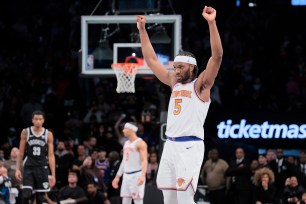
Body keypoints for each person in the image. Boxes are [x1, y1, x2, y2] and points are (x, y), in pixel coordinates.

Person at [137, 5, 223, 204]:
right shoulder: (174, 82)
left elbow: (217, 57)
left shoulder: (201, 85)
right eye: (175, 67)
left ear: (191, 68)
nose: (175, 71)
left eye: (180, 67)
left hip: (189, 146)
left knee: (185, 199)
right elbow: (151, 60)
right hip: (170, 145)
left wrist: (212, 23)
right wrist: (142, 31)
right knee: (169, 199)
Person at [15, 110, 56, 204]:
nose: (38, 121)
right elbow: (21, 153)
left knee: (40, 198)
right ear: (32, 120)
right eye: (36, 119)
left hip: (42, 167)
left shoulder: (48, 134)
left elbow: (51, 155)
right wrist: (17, 169)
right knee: (26, 195)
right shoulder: (26, 132)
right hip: (29, 167)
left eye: (40, 119)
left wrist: (53, 175)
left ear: (43, 121)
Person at [112, 122, 148, 204]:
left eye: (125, 128)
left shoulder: (140, 143)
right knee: (125, 201)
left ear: (131, 130)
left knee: (138, 200)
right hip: (126, 176)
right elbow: (124, 161)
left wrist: (142, 175)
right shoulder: (126, 143)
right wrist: (117, 177)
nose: (123, 130)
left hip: (136, 175)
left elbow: (144, 160)